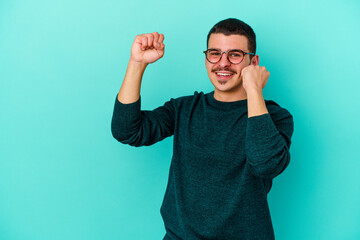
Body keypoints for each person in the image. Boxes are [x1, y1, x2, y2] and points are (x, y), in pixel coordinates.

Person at [111, 18, 294, 240]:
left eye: (235, 55)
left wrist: (254, 90)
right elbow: (127, 130)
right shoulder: (184, 109)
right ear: (206, 59)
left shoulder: (275, 116)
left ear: (253, 62)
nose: (223, 63)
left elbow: (266, 165)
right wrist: (136, 63)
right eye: (215, 53)